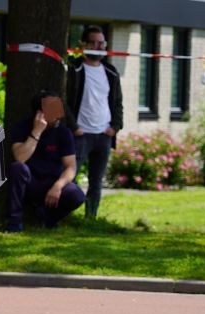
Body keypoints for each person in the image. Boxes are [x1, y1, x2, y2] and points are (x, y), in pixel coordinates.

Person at [4, 90, 85, 232]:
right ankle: (14, 223)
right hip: (29, 182)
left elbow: (71, 167)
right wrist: (37, 132)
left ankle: (48, 218)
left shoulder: (64, 132)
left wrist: (58, 187)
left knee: (76, 195)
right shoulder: (22, 127)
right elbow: (20, 158)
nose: (59, 114)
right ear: (40, 112)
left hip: (53, 183)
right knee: (17, 168)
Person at [66, 24, 123, 219]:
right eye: (95, 43)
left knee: (96, 182)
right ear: (83, 44)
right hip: (81, 135)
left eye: (102, 43)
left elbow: (117, 103)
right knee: (70, 178)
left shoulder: (111, 72)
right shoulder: (74, 69)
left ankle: (91, 218)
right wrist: (74, 127)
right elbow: (63, 102)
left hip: (104, 135)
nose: (99, 47)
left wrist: (115, 127)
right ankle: (66, 216)